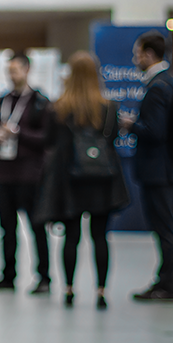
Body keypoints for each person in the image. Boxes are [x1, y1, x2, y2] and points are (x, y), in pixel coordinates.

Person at [36, 52, 129, 309]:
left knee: (71, 237)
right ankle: (101, 291)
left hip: (70, 180)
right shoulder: (108, 108)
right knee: (100, 236)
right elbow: (113, 139)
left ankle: (69, 289)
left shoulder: (58, 108)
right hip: (102, 179)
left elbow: (49, 142)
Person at [119, 31, 173, 302]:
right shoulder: (169, 81)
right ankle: (165, 280)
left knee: (164, 228)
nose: (135, 59)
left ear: (149, 54)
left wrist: (131, 124)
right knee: (165, 227)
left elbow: (155, 131)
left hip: (159, 170)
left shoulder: (158, 86)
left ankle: (167, 284)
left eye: (137, 53)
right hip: (167, 168)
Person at [0, 52, 52, 294]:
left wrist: (19, 133)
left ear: (27, 70)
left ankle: (44, 276)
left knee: (36, 226)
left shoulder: (40, 102)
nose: (12, 75)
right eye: (8, 71)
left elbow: (47, 138)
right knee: (6, 228)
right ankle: (7, 276)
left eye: (15, 70)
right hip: (4, 173)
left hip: (30, 175)